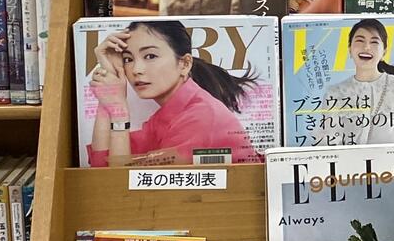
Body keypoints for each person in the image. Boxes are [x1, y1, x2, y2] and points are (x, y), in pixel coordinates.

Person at [86, 20, 264, 167]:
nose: (136, 69)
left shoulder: (200, 117)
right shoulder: (169, 115)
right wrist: (108, 87)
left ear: (184, 64)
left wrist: (119, 111)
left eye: (150, 56)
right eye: (128, 59)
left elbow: (121, 186)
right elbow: (103, 165)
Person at [313, 17, 394, 144]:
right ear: (350, 49)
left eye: (374, 42)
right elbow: (326, 140)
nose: (366, 47)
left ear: (384, 52)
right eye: (360, 40)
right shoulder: (334, 93)